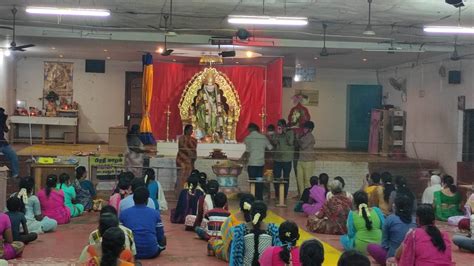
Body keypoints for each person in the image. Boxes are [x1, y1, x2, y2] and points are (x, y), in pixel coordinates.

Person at [367, 194, 416, 264]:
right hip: (411, 258)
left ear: (396, 206)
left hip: (393, 258)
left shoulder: (390, 219)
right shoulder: (415, 220)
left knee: (371, 246)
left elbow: (384, 244)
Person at [229, 201, 281, 266]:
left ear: (251, 213)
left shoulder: (239, 230)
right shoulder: (274, 230)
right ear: (265, 215)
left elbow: (235, 256)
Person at [120, 187, 166, 259]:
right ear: (147, 200)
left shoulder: (124, 213)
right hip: (151, 252)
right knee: (163, 238)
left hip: (131, 252)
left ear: (133, 199)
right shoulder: (155, 213)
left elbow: (121, 233)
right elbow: (160, 235)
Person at [208, 193, 255, 261]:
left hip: (232, 256)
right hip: (252, 256)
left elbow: (225, 240)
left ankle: (212, 244)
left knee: (217, 244)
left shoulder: (230, 219)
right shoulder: (258, 221)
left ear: (240, 204)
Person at [340, 190, 384, 255]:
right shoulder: (376, 210)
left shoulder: (352, 214)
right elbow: (383, 227)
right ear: (367, 201)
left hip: (360, 248)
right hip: (379, 246)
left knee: (343, 239)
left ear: (354, 203)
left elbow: (351, 234)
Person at [242, 123, 273, 200]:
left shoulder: (248, 138)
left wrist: (243, 159)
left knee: (252, 181)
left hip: (252, 163)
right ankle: (259, 198)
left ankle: (253, 198)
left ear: (250, 129)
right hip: (260, 163)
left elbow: (247, 152)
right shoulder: (263, 137)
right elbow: (270, 148)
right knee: (259, 181)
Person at [271, 119, 294, 200]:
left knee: (286, 177)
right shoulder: (276, 133)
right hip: (277, 159)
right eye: (278, 125)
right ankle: (277, 194)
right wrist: (277, 134)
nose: (279, 127)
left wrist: (284, 132)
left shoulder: (290, 132)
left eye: (280, 125)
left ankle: (284, 195)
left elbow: (290, 142)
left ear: (284, 126)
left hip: (287, 159)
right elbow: (273, 142)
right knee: (276, 177)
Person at [176, 124, 198, 195]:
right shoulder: (181, 138)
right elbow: (182, 147)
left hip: (190, 161)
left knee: (189, 176)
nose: (191, 131)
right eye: (190, 129)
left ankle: (187, 191)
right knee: (181, 175)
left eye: (192, 129)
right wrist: (189, 152)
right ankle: (179, 192)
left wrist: (193, 157)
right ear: (186, 130)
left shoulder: (194, 140)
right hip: (182, 160)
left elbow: (194, 150)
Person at [296, 121, 316, 197]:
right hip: (301, 160)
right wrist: (299, 139)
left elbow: (303, 146)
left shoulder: (310, 136)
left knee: (307, 180)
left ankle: (308, 196)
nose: (304, 129)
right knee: (300, 180)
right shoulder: (303, 136)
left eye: (306, 128)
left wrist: (298, 139)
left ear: (310, 129)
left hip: (309, 161)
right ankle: (302, 196)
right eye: (304, 127)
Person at [0, 108, 19, 178]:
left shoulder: (1, 118)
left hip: (3, 143)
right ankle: (15, 174)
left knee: (13, 156)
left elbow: (5, 129)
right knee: (13, 156)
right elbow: (6, 130)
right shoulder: (2, 117)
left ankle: (15, 174)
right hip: (2, 143)